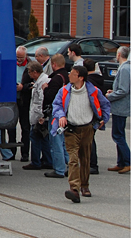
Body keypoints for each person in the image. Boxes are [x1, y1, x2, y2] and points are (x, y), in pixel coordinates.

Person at [52, 65, 111, 203]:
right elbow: (57, 105)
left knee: (85, 159)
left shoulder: (93, 91)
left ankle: (85, 186)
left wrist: (103, 119)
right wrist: (61, 115)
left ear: (80, 77)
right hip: (71, 129)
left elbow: (105, 105)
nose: (69, 76)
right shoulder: (64, 91)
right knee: (73, 159)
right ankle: (74, 188)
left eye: (73, 74)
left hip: (87, 128)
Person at [43, 54, 70, 179]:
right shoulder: (67, 76)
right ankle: (70, 165)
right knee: (63, 141)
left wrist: (45, 89)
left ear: (54, 64)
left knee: (56, 141)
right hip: (66, 111)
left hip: (56, 112)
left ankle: (59, 168)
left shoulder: (56, 79)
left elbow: (50, 97)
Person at [23, 61, 52, 170]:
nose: (29, 75)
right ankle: (48, 160)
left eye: (30, 72)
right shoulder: (40, 81)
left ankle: (35, 162)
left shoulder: (42, 82)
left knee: (35, 137)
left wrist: (41, 116)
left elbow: (41, 100)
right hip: (40, 114)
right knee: (44, 138)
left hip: (38, 115)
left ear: (35, 72)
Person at [106, 46, 130, 174]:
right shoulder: (124, 67)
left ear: (119, 54)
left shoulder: (125, 68)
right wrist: (113, 91)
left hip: (121, 106)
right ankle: (121, 162)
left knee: (118, 135)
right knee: (119, 134)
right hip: (119, 105)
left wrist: (110, 96)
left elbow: (124, 90)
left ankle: (127, 161)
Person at [84, 59, 104, 174]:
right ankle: (91, 163)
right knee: (91, 138)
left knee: (89, 139)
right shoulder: (99, 79)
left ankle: (92, 164)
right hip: (97, 111)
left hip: (91, 112)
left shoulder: (89, 82)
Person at [14, 46, 32, 161]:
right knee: (11, 126)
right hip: (12, 98)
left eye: (21, 57)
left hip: (24, 99)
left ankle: (25, 153)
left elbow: (33, 83)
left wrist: (22, 87)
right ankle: (11, 152)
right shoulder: (11, 63)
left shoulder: (31, 65)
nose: (19, 59)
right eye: (17, 57)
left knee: (25, 127)